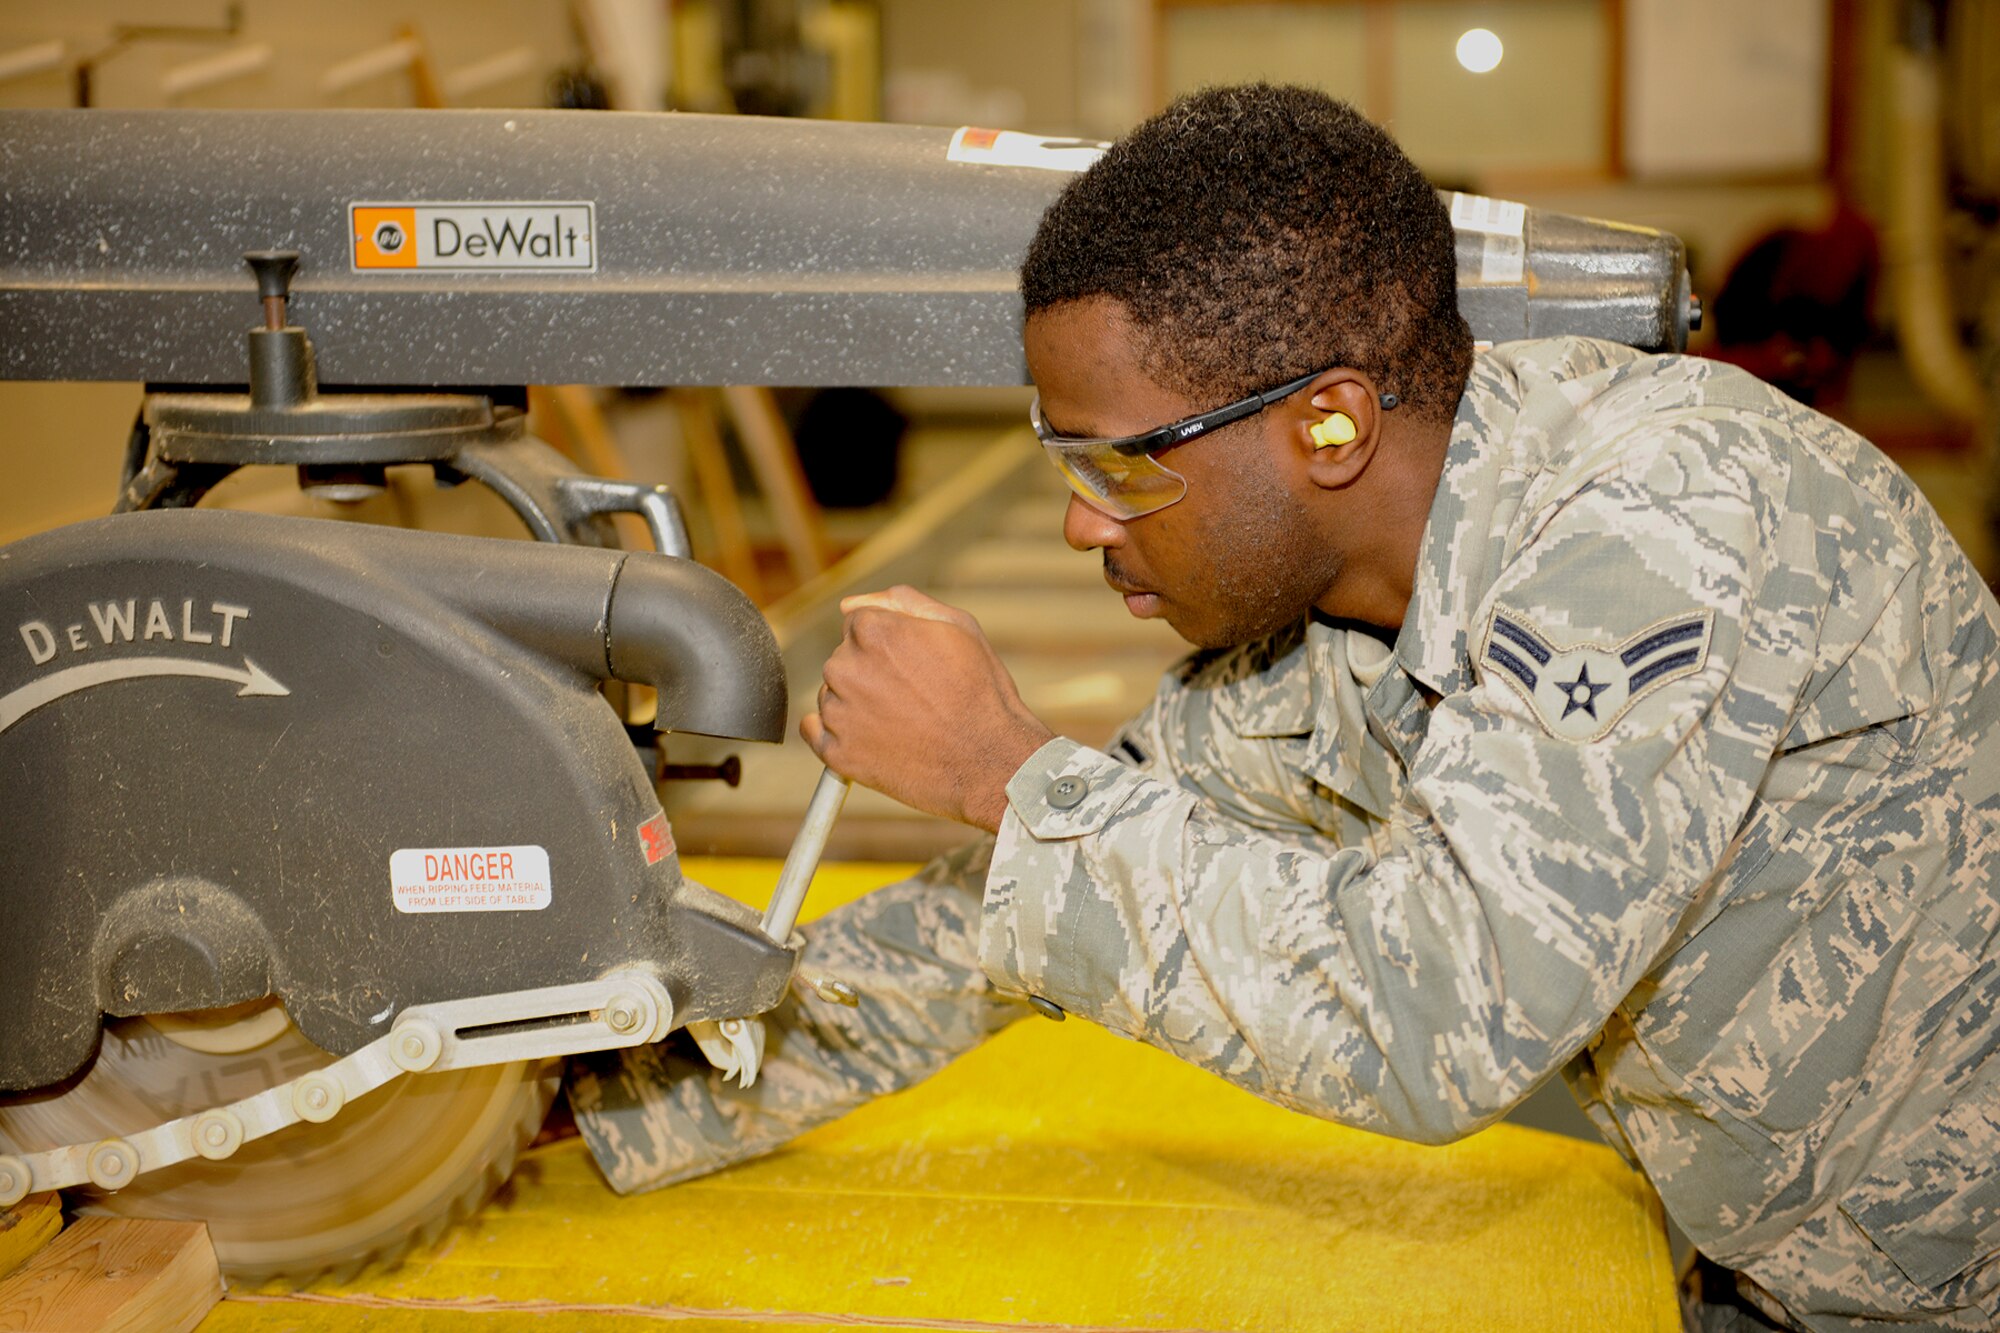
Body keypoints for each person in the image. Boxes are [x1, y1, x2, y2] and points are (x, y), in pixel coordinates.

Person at [570, 85, 2000, 1332]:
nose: (1083, 526)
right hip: (1775, 1263)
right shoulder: (1316, 641)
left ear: (1330, 422)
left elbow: (1442, 1003)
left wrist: (1013, 772)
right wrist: (606, 1095)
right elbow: (990, 931)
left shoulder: (1658, 529)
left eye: (1118, 467)